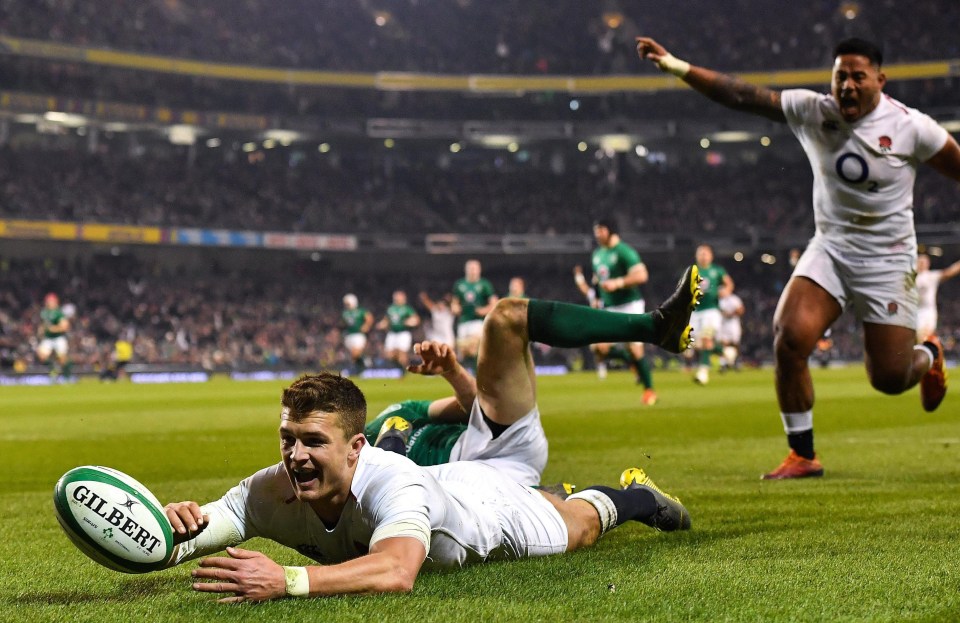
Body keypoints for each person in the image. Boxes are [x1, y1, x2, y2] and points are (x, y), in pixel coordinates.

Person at [162, 267, 701, 602]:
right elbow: (210, 524)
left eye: (313, 441)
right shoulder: (272, 487)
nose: (295, 455)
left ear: (358, 447)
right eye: (288, 438)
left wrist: (289, 579)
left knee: (579, 526)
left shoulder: (392, 478)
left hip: (488, 506)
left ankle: (638, 496)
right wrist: (167, 524)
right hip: (449, 477)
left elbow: (397, 571)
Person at [636, 36, 960, 479]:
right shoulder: (814, 110)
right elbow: (743, 95)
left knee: (888, 378)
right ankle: (803, 454)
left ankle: (928, 355)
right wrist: (677, 65)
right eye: (839, 75)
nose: (846, 85)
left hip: (887, 260)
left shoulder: (912, 127)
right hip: (831, 247)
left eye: (857, 77)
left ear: (880, 81)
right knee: (788, 337)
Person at [573, 219, 658, 405]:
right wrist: (596, 298)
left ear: (611, 230)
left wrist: (619, 282)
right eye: (596, 230)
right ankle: (631, 363)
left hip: (630, 305)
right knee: (598, 348)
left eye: (601, 230)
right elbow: (597, 280)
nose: (597, 234)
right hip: (609, 307)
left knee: (635, 349)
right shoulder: (597, 254)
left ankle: (649, 390)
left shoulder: (624, 251)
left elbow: (642, 275)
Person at [689, 244, 735, 385]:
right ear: (696, 256)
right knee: (698, 344)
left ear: (711, 256)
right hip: (695, 312)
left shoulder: (717, 270)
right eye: (700, 253)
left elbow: (729, 283)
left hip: (711, 311)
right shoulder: (692, 271)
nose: (703, 256)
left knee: (706, 339)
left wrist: (726, 291)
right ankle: (725, 351)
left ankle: (703, 373)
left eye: (705, 253)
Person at [451, 259, 498, 370]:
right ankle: (473, 373)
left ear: (479, 270)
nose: (473, 271)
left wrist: (482, 310)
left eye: (475, 268)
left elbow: (494, 304)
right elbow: (454, 303)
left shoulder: (484, 284)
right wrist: (455, 308)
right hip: (463, 321)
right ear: (466, 270)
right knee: (464, 352)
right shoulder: (459, 284)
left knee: (473, 347)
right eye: (470, 268)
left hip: (477, 321)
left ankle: (478, 376)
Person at [915, 253, 960, 341]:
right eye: (919, 261)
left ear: (928, 263)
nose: (922, 263)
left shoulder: (931, 276)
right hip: (912, 311)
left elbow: (948, 272)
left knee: (924, 338)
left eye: (924, 261)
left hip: (926, 312)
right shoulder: (911, 277)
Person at [376, 290, 420, 374]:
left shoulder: (407, 309)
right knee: (389, 355)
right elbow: (386, 320)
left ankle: (404, 372)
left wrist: (410, 322)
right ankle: (401, 367)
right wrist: (381, 324)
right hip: (392, 333)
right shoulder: (391, 308)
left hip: (403, 333)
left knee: (402, 354)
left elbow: (416, 319)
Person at [36, 292, 72, 381]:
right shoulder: (44, 312)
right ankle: (53, 369)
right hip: (48, 338)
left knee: (63, 359)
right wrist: (41, 330)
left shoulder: (59, 313)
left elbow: (65, 326)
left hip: (58, 338)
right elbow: (44, 324)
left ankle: (67, 377)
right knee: (41, 355)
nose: (49, 303)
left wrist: (54, 329)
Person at [341, 294, 374, 374]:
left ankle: (364, 362)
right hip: (349, 335)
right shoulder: (345, 313)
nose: (346, 305)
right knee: (354, 356)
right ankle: (361, 369)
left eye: (348, 303)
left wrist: (366, 326)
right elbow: (344, 324)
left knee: (355, 353)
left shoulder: (360, 311)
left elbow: (370, 318)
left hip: (358, 334)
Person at [718, 291, 746, 372]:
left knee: (735, 343)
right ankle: (723, 364)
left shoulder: (734, 299)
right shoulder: (718, 300)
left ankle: (736, 362)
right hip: (722, 323)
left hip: (733, 324)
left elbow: (741, 309)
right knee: (723, 344)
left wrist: (731, 313)